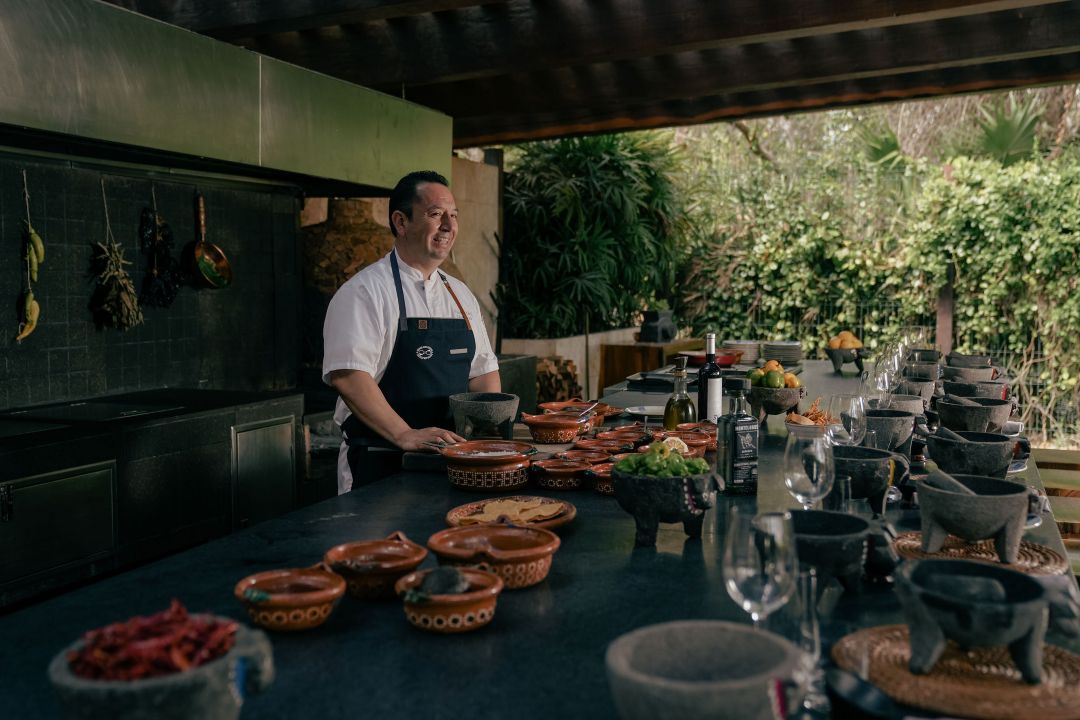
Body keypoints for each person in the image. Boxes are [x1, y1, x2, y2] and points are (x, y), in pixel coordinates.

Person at [322, 171, 501, 493]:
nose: (449, 226)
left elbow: (483, 371)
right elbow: (349, 376)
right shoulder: (364, 292)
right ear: (401, 222)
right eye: (435, 215)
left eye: (454, 215)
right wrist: (405, 434)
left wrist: (486, 436)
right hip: (381, 463)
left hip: (450, 461)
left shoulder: (460, 295)